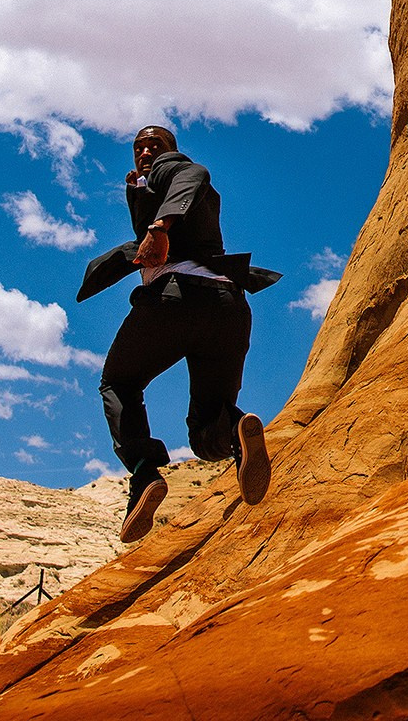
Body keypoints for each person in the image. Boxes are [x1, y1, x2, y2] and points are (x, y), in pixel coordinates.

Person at [90, 124, 270, 542]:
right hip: (227, 308)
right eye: (139, 146)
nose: (146, 151)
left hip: (177, 299)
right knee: (208, 431)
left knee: (118, 383)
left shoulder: (175, 170)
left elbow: (194, 175)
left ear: (171, 150)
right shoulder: (149, 188)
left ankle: (143, 473)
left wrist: (159, 229)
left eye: (156, 144)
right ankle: (237, 431)